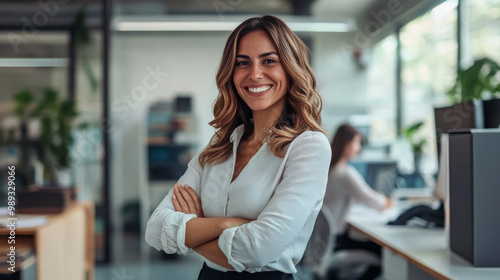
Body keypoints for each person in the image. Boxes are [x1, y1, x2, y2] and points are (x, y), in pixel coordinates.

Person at [145, 15, 331, 280]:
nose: (255, 74)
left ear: (290, 69)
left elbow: (259, 250)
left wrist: (194, 229)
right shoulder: (219, 146)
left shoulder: (308, 148)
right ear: (231, 74)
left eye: (269, 60)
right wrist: (227, 224)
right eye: (243, 63)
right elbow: (154, 229)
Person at [322, 123, 393, 279]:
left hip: (324, 241)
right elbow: (371, 200)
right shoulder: (344, 173)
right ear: (346, 143)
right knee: (382, 252)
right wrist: (388, 202)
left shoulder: (329, 170)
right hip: (336, 243)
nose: (359, 148)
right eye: (357, 142)